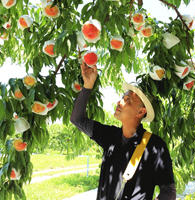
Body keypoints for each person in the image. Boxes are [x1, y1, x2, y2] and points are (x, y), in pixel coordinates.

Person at [70, 61, 176, 200]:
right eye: (122, 98)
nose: (119, 102)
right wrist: (88, 84)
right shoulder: (109, 136)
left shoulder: (155, 146)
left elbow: (168, 191)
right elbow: (77, 119)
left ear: (141, 111)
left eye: (127, 100)